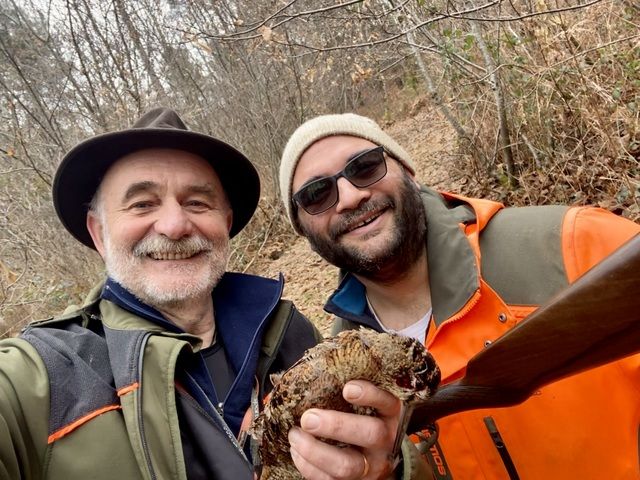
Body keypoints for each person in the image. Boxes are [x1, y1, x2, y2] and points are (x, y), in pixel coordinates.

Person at [279, 112, 640, 479]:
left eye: (365, 166)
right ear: (303, 230)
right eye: (316, 194)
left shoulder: (571, 244)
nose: (350, 197)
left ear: (407, 170)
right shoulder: (339, 387)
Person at [1, 107, 327, 480]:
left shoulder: (289, 332)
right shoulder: (42, 380)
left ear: (226, 223)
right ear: (98, 233)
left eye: (197, 203)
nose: (174, 225)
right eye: (142, 204)